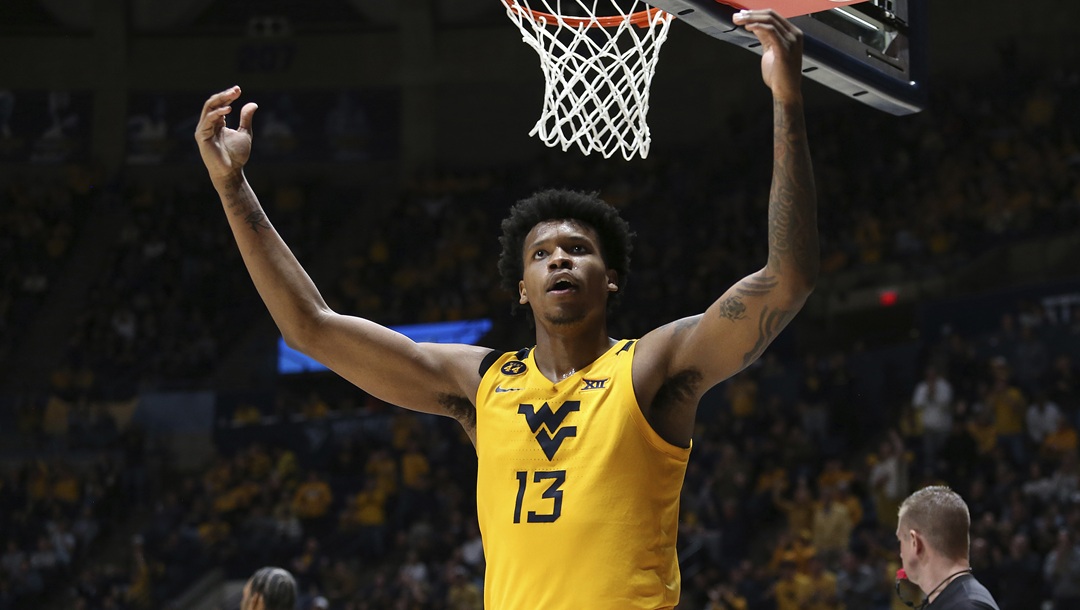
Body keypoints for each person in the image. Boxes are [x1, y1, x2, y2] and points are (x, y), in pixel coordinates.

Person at [195, 9, 817, 609]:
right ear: (522, 286)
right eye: (541, 253)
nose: (560, 260)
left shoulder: (652, 367)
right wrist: (232, 188)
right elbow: (310, 328)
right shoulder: (480, 384)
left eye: (579, 249)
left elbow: (786, 281)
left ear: (612, 281)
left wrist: (786, 99)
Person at [894, 486, 1000, 610]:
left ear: (915, 542)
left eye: (900, 540)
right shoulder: (959, 599)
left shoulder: (965, 606)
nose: (901, 553)